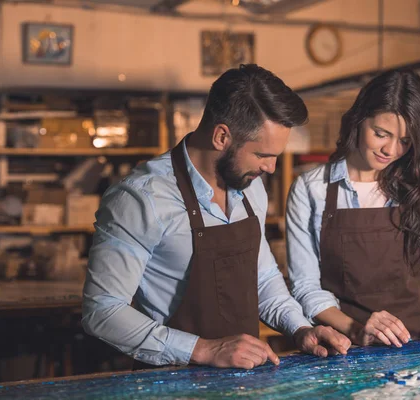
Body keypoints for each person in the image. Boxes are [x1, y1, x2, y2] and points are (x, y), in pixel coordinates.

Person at [82, 64, 351, 370]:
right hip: (172, 385)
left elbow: (262, 278)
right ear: (222, 136)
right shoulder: (141, 199)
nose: (271, 168)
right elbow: (102, 311)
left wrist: (300, 328)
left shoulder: (251, 188)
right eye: (263, 155)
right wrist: (204, 349)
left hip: (243, 382)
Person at [286, 69, 420, 349]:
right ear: (358, 120)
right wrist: (356, 330)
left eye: (405, 141)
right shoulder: (312, 189)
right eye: (381, 134)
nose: (390, 150)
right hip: (347, 348)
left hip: (419, 345)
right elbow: (306, 287)